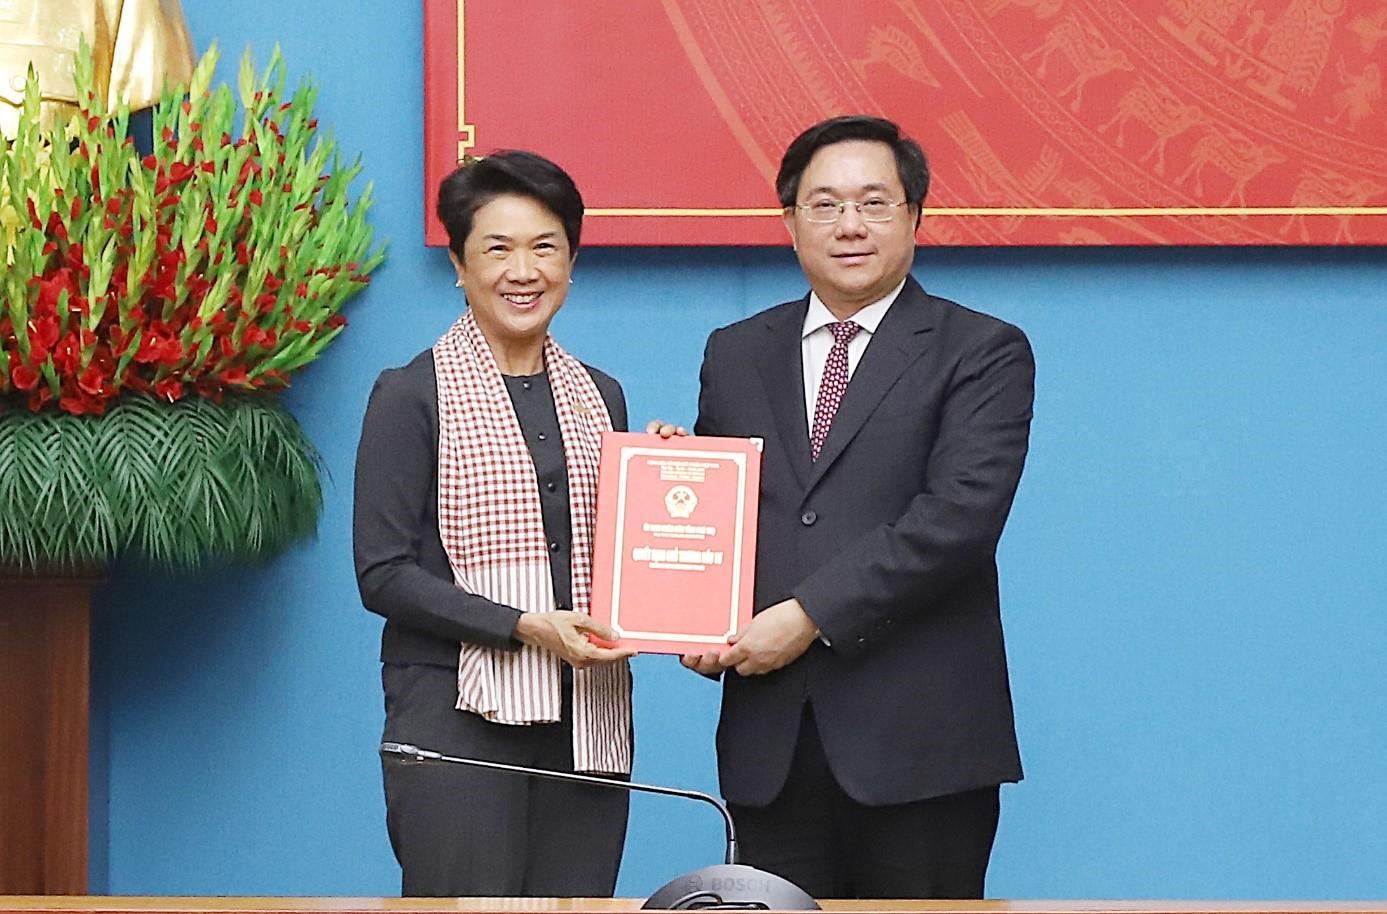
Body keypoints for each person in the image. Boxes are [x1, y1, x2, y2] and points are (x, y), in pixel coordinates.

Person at [677, 115, 1035, 899]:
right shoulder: (735, 351)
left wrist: (807, 615)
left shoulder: (980, 349)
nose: (849, 225)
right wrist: (685, 570)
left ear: (914, 216)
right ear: (789, 221)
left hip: (919, 748)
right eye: (824, 204)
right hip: (772, 746)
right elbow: (726, 517)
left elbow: (957, 519)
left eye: (873, 203)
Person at [353, 150, 636, 897]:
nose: (523, 271)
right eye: (498, 249)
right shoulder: (410, 395)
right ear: (459, 264)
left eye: (545, 247)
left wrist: (666, 472)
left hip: (586, 717)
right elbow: (382, 574)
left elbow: (623, 550)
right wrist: (522, 625)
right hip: (454, 711)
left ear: (571, 261)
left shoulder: (602, 397)